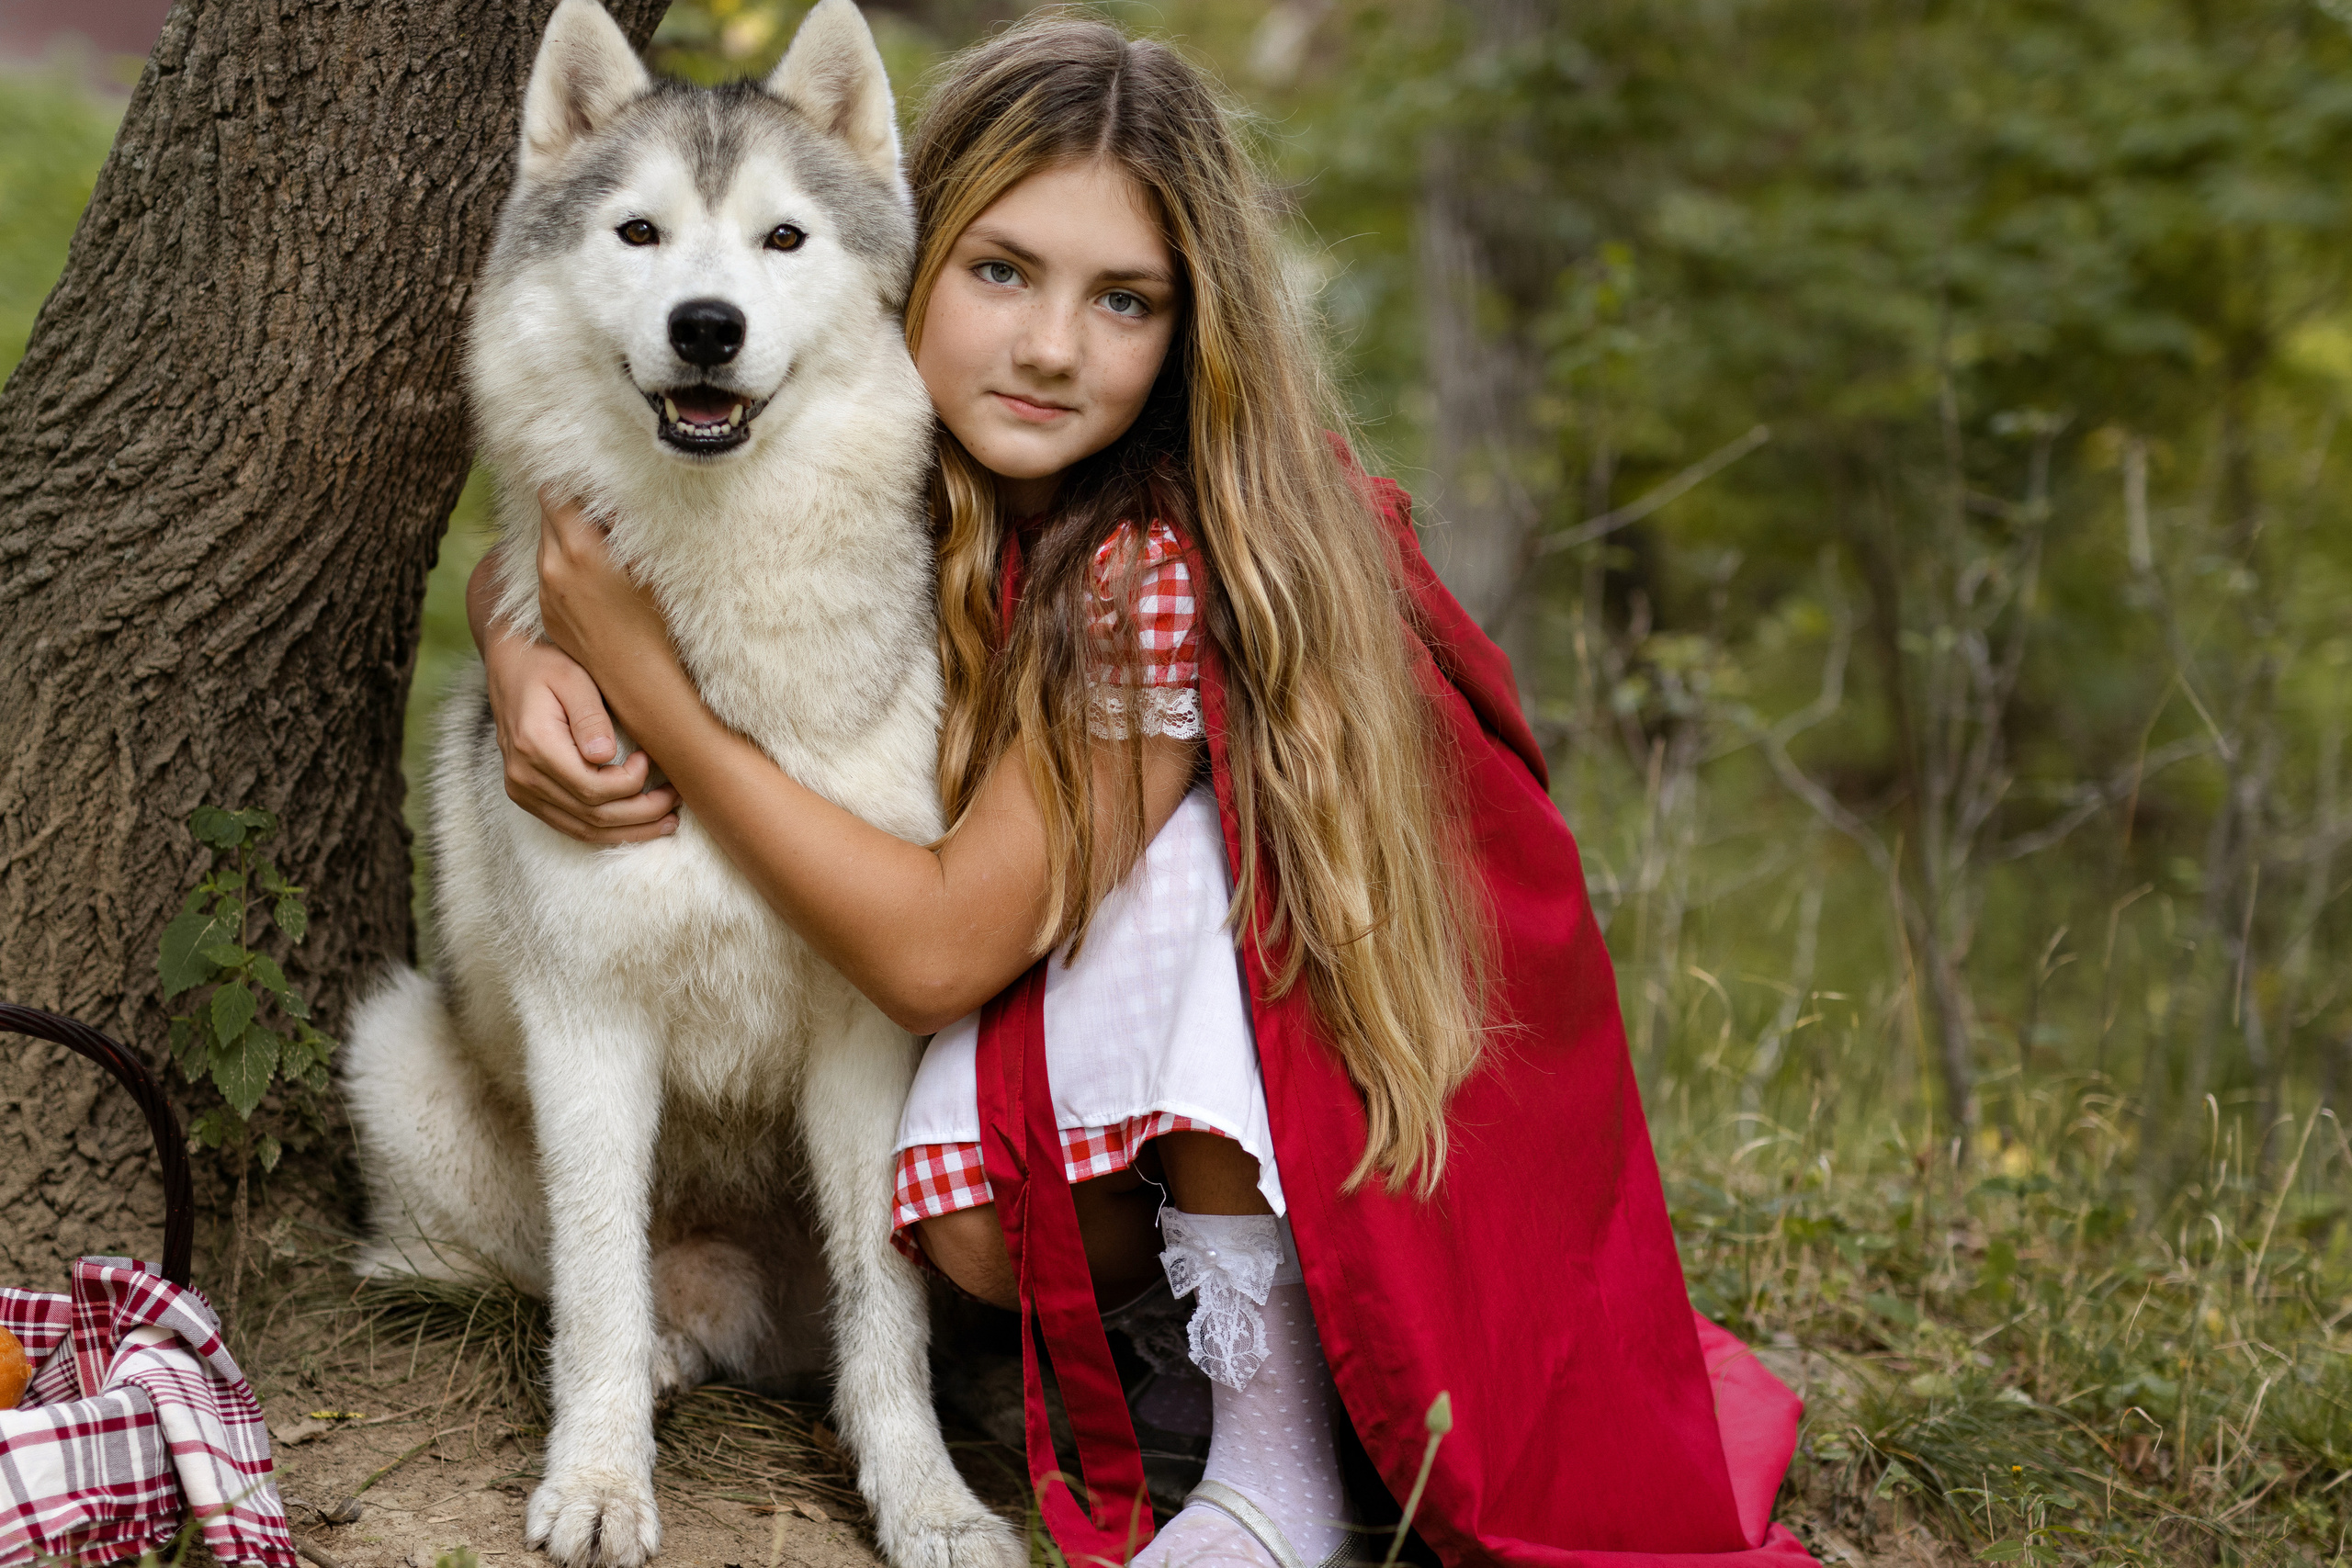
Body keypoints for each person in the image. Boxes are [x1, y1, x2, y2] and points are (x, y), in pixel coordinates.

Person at [472, 12, 1816, 1568]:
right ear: (911, 253)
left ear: (1191, 332)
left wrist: (638, 685)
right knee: (966, 1205)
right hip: (1077, 1000)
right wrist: (529, 639)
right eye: (1000, 273)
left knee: (1091, 1011)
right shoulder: (888, 431)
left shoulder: (1153, 560)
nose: (1050, 347)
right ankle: (1169, 1348)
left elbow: (923, 955)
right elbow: (630, 508)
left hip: (1350, 1070)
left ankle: (1271, 1446)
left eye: (1125, 301)